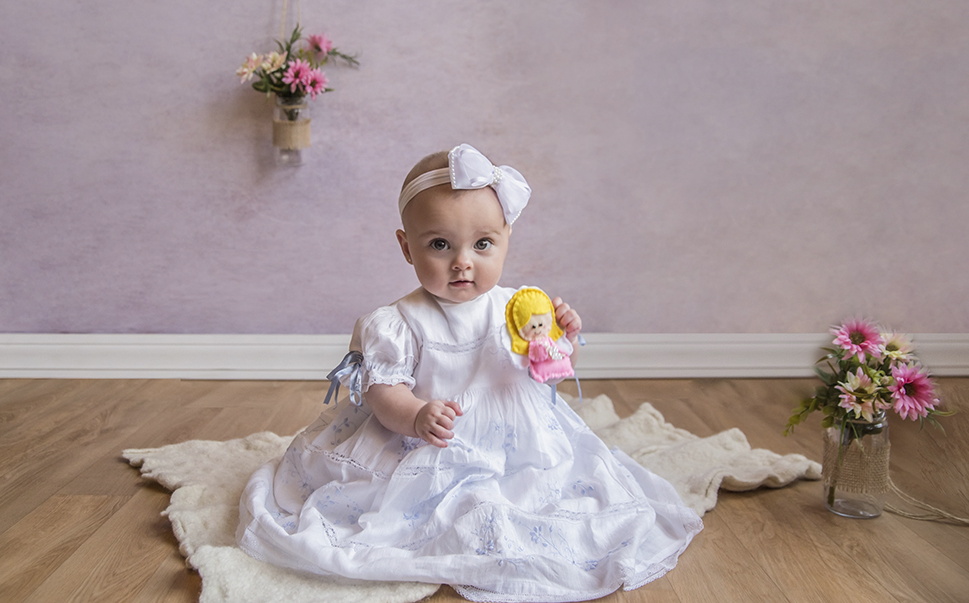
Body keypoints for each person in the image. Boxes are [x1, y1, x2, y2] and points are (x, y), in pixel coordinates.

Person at [237, 144, 703, 602]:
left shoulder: (519, 306)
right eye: (440, 244)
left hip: (516, 433)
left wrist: (563, 340)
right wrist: (416, 415)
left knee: (552, 491)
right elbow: (382, 391)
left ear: (506, 240)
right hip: (427, 434)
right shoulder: (398, 322)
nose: (463, 261)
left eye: (482, 244)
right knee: (405, 510)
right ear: (405, 246)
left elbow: (549, 373)